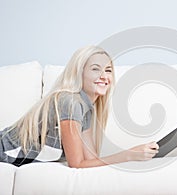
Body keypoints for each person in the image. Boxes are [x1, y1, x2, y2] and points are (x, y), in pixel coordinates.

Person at [0, 45, 159, 168]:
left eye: (108, 70)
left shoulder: (85, 108)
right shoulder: (70, 102)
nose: (104, 76)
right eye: (96, 69)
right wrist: (129, 155)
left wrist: (135, 154)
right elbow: (77, 164)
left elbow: (90, 161)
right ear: (79, 73)